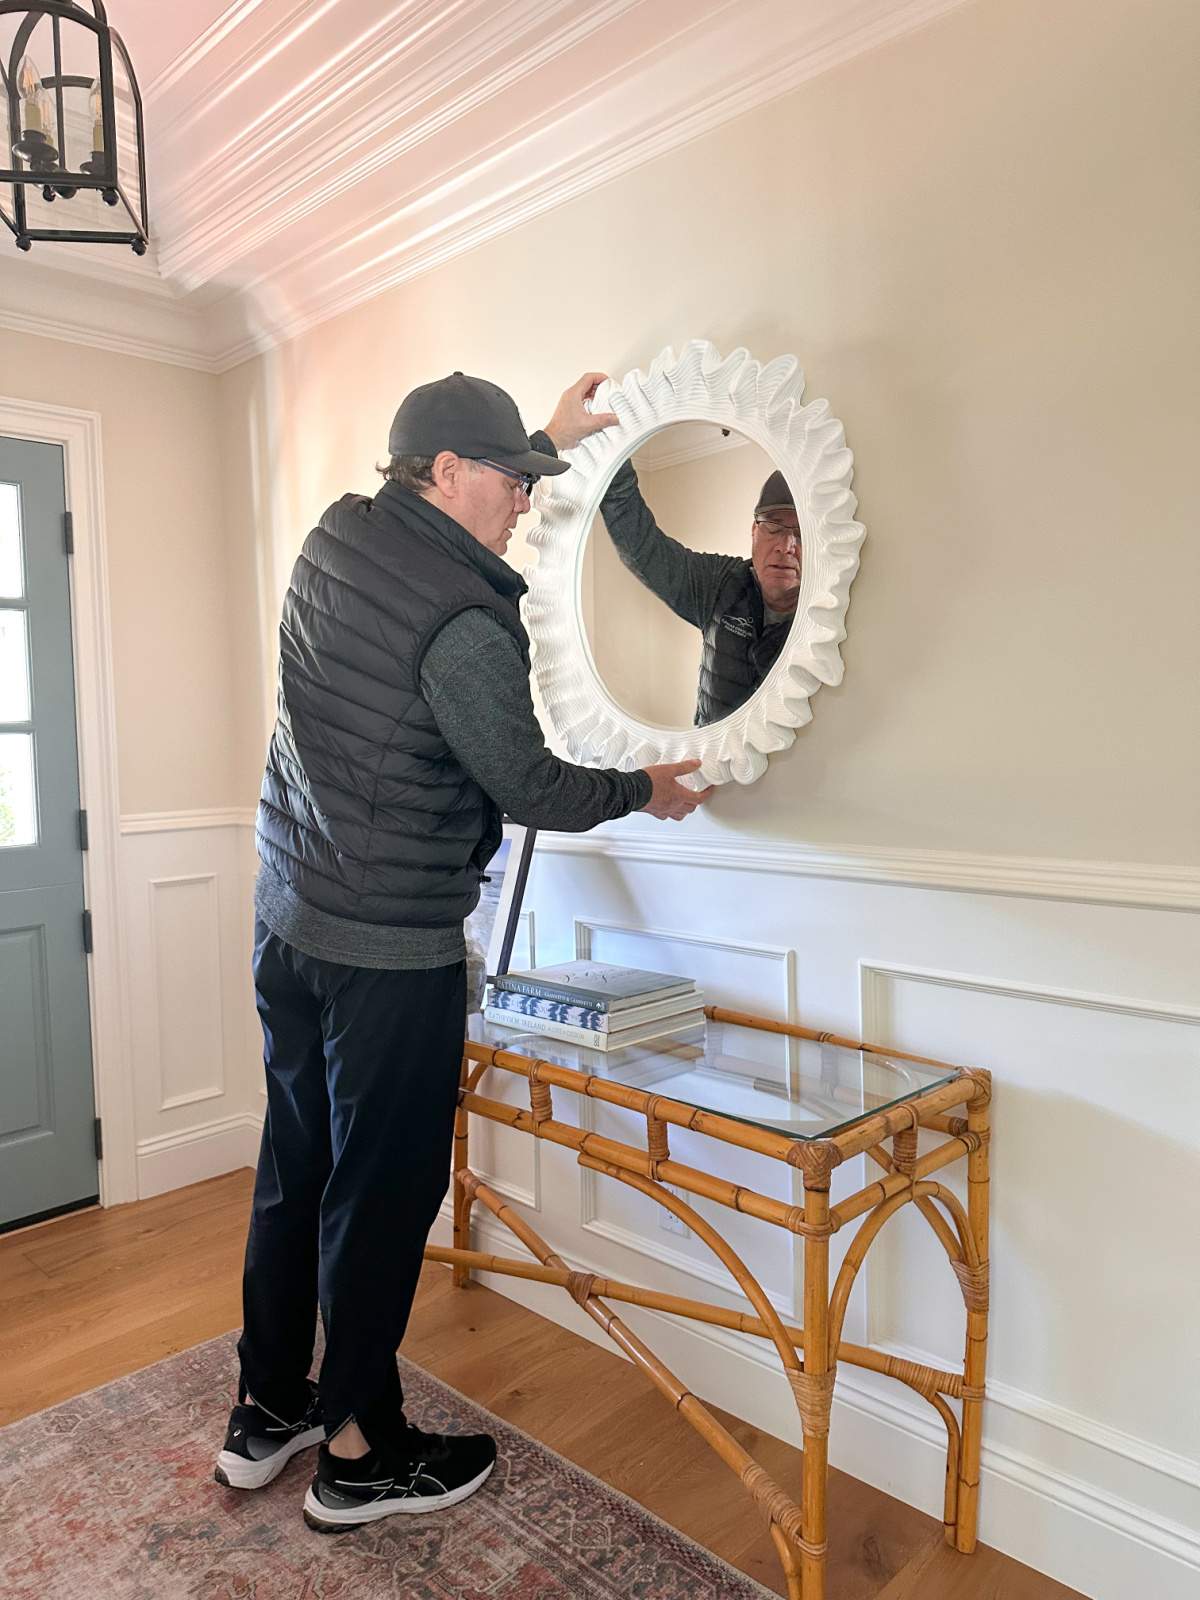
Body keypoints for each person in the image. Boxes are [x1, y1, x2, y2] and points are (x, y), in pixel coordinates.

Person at [215, 371, 713, 1532]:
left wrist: (539, 437)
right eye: (512, 481)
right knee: (380, 1199)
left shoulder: (338, 537)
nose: (526, 504)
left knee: (298, 1166)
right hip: (386, 951)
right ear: (444, 475)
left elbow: (447, 512)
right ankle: (358, 1453)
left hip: (287, 917)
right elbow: (531, 780)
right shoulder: (466, 621)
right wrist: (649, 785)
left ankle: (268, 1408)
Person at [544, 376, 802, 726]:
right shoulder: (721, 584)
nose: (787, 546)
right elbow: (643, 548)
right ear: (754, 531)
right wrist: (611, 443)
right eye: (775, 525)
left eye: (801, 534)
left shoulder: (824, 610)